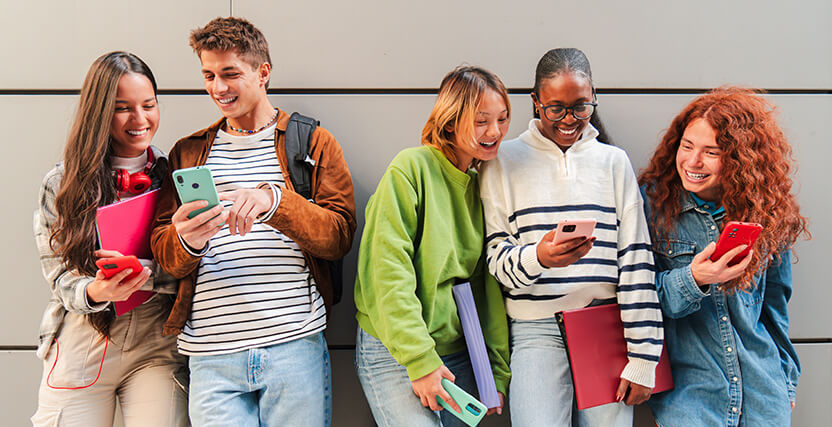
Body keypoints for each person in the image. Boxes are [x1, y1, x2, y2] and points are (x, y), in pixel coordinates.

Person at [150, 17, 355, 426]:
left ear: (263, 72)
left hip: (293, 344)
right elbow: (164, 253)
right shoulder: (187, 153)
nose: (218, 88)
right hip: (211, 354)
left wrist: (274, 202)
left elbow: (339, 236)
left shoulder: (311, 142)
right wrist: (185, 239)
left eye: (230, 74)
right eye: (209, 75)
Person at [479, 48, 664, 426]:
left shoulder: (613, 162)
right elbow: (495, 260)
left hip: (606, 326)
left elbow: (637, 261)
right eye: (555, 108)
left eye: (581, 106)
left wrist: (645, 357)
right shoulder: (501, 162)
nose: (569, 119)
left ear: (593, 97)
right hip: (536, 331)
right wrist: (540, 257)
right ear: (535, 102)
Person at [31, 51, 187, 426]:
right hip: (84, 341)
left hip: (157, 344)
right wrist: (97, 291)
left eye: (148, 105)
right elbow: (58, 276)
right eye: (123, 108)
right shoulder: (61, 184)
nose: (140, 119)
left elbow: (192, 264)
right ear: (99, 112)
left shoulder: (176, 178)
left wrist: (146, 274)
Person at [639, 87, 808, 426]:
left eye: (710, 152)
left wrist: (786, 382)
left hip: (763, 396)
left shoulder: (768, 211)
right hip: (691, 400)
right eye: (687, 146)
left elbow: (775, 309)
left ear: (740, 159)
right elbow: (638, 301)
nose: (693, 161)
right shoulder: (652, 207)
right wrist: (695, 279)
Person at [353, 65, 512, 427]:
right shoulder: (411, 169)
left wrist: (495, 373)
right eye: (482, 120)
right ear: (451, 120)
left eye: (502, 119)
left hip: (458, 350)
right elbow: (387, 272)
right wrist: (420, 360)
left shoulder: (484, 183)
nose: (496, 132)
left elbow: (486, 288)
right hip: (395, 347)